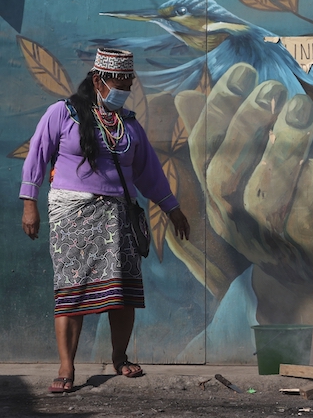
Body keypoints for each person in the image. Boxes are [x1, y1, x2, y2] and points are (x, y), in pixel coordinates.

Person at [20, 48, 190, 393]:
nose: (125, 86)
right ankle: (66, 367)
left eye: (129, 80)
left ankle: (119, 356)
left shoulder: (129, 123)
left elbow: (149, 172)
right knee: (71, 290)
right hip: (72, 215)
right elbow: (37, 154)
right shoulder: (62, 113)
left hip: (118, 216)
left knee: (123, 289)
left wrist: (172, 207)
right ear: (98, 80)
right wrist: (29, 204)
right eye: (119, 80)